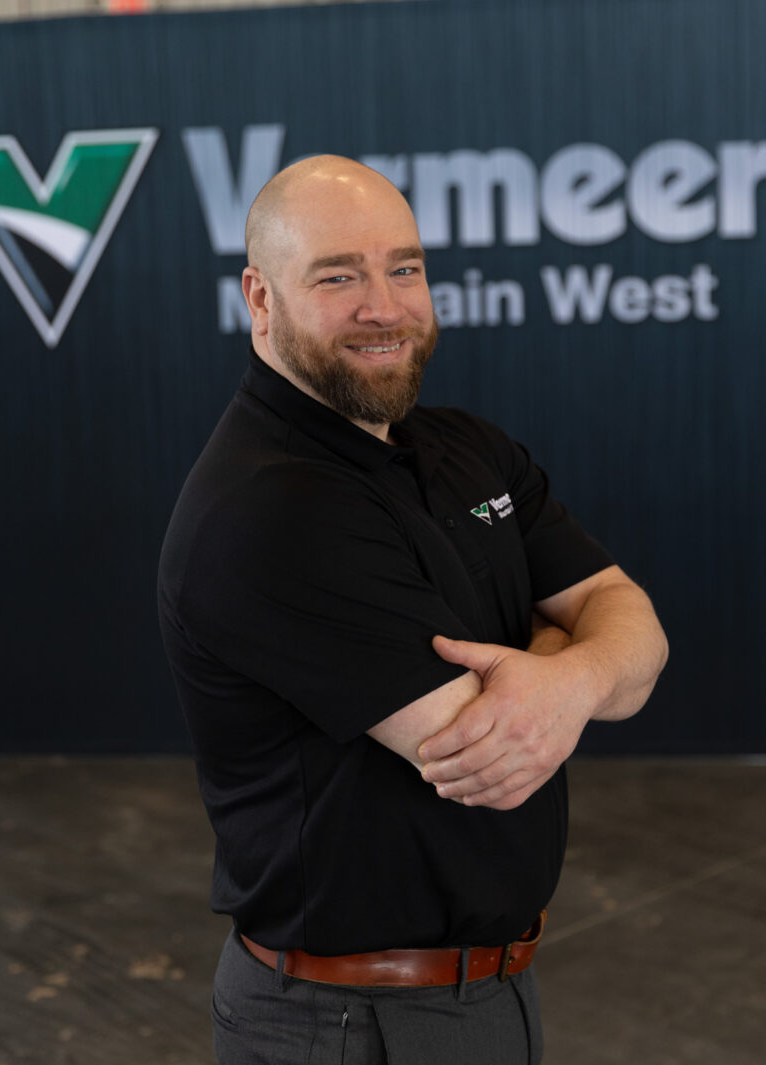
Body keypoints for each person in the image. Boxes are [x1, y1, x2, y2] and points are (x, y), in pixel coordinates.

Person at [157, 155, 668, 1065]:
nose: (383, 305)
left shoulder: (468, 447)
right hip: (349, 1022)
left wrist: (569, 670)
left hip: (490, 988)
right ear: (260, 299)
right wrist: (576, 654)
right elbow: (483, 750)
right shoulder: (266, 508)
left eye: (404, 267)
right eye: (338, 275)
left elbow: (633, 625)